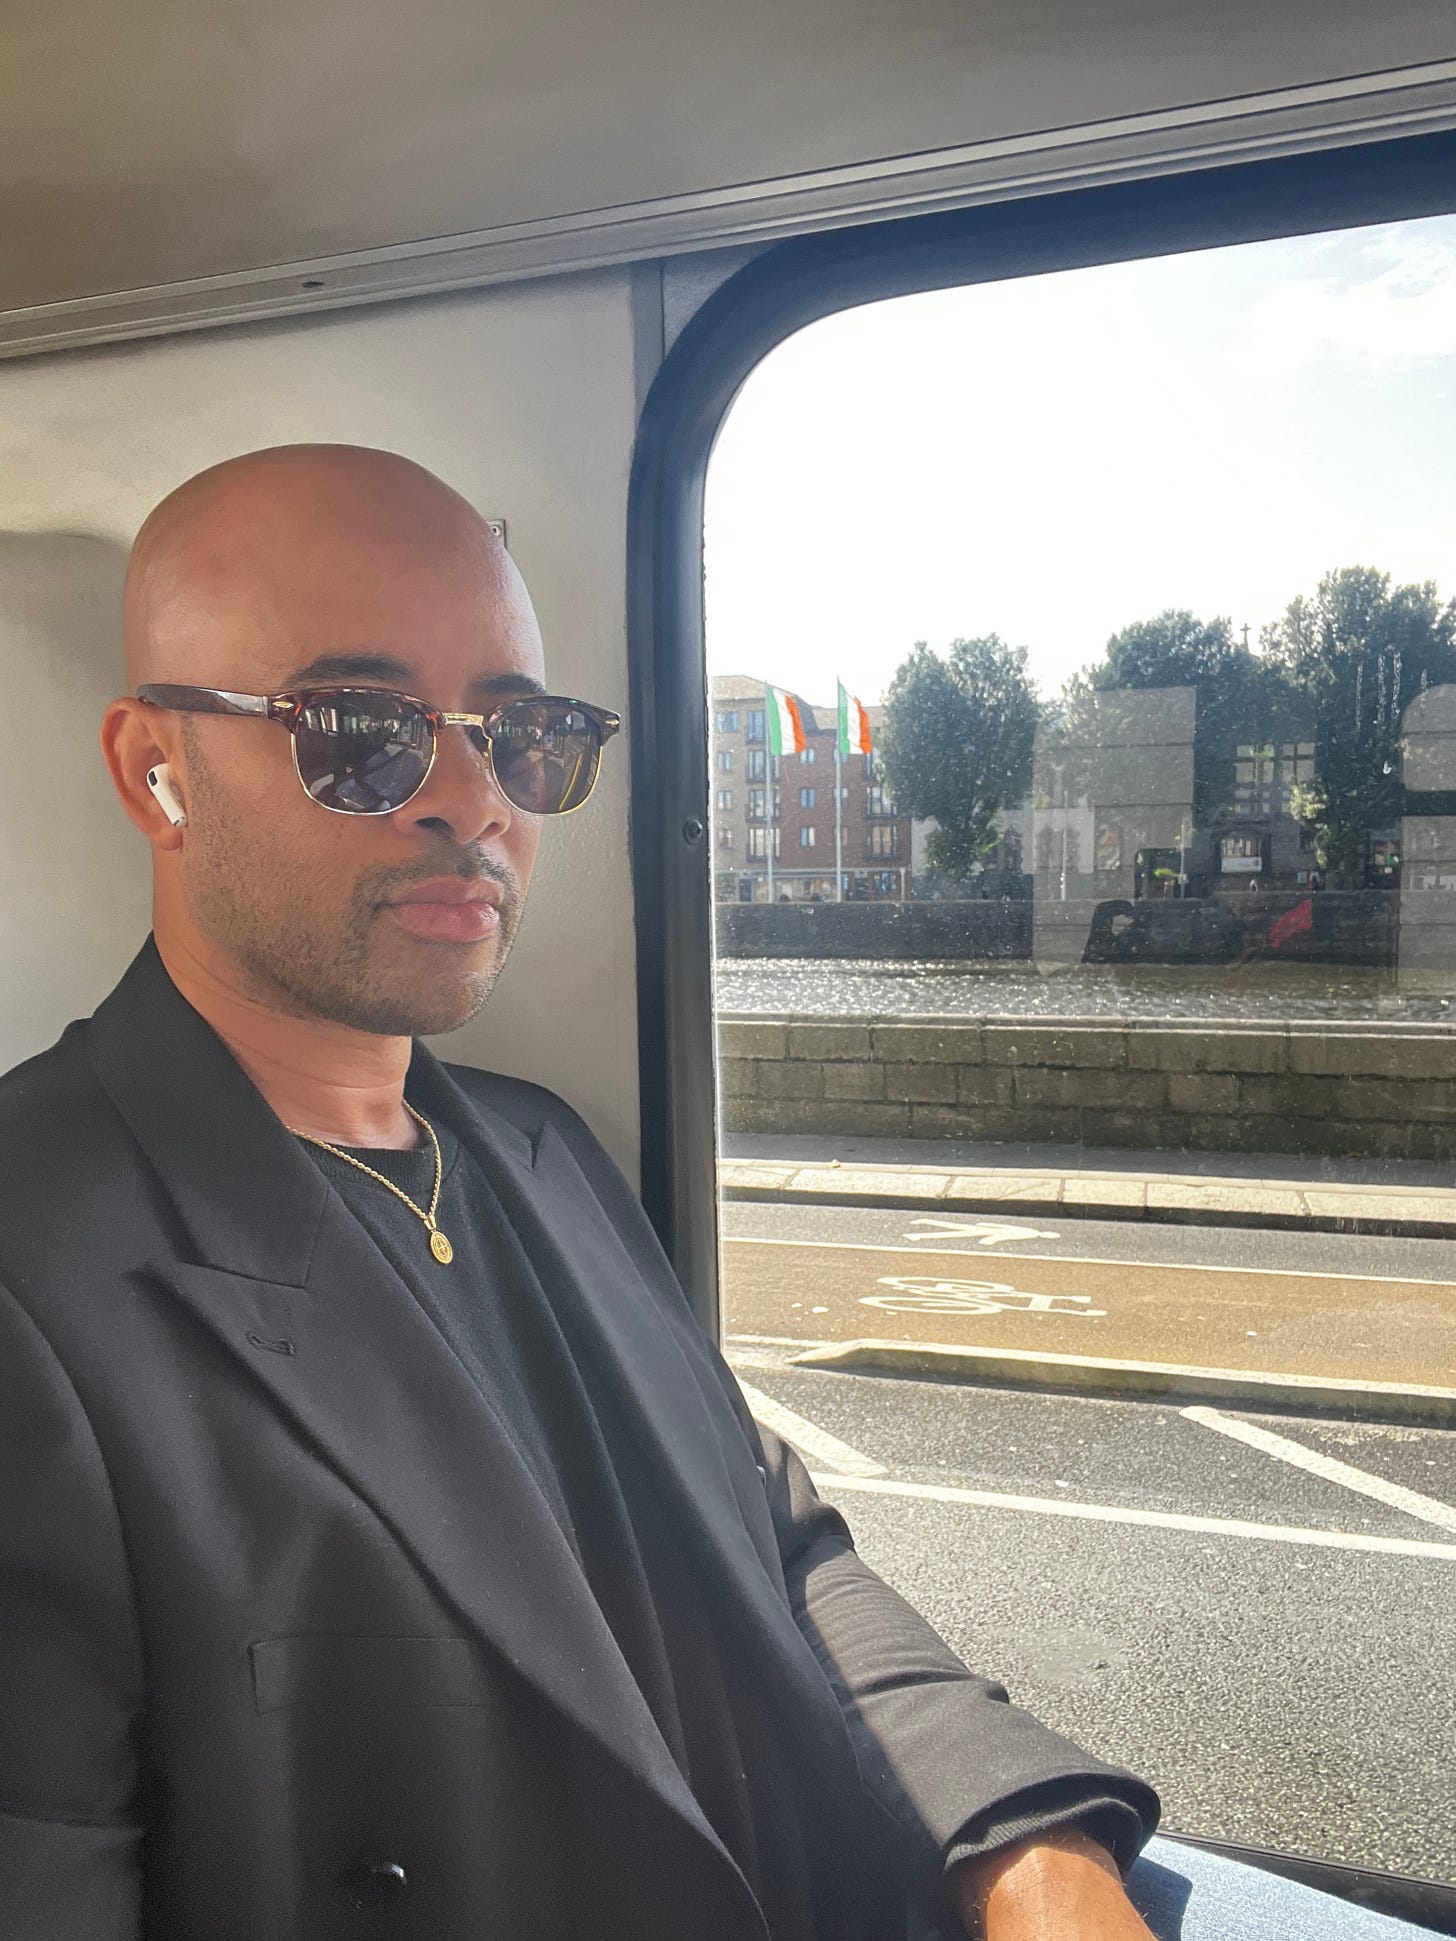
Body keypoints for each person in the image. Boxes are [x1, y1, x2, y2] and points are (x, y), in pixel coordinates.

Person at [0, 446, 1431, 1941]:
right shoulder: (41, 1275)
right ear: (155, 767)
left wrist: (1027, 1850)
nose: (476, 799)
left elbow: (782, 1546)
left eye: (523, 732)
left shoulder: (545, 1154)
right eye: (361, 732)